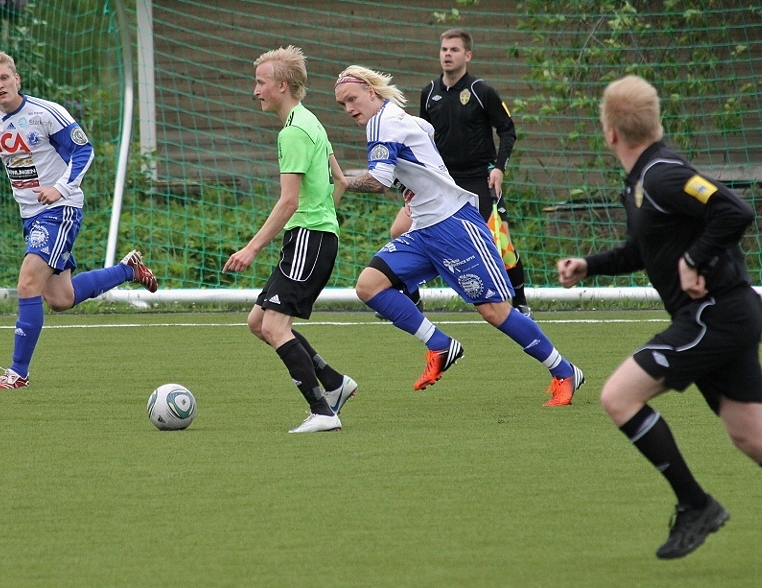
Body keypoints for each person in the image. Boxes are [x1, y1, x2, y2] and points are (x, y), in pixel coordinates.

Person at [558, 75, 762, 559]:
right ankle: (697, 505)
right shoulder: (642, 181)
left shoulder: (662, 175)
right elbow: (643, 250)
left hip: (714, 315)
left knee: (618, 397)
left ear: (609, 132)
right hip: (726, 316)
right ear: (656, 122)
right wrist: (589, 266)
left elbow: (736, 210)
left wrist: (695, 259)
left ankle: (696, 505)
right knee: (752, 437)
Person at [334, 65, 583, 406]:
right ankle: (439, 344)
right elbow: (424, 135)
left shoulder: (383, 123)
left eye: (352, 99)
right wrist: (412, 186)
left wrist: (341, 183)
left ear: (371, 92)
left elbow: (378, 181)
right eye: (342, 104)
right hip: (424, 229)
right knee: (369, 285)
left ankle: (565, 371)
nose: (349, 108)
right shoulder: (399, 118)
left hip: (454, 226)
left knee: (494, 311)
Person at [0, 51, 158, 389]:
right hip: (31, 215)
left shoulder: (45, 113)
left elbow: (84, 150)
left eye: (4, 78)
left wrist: (60, 188)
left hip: (61, 209)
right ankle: (129, 270)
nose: (0, 85)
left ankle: (17, 373)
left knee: (27, 283)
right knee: (60, 299)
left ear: (17, 79)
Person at [223, 45, 357, 433]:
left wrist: (252, 248)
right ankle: (334, 383)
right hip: (314, 237)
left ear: (282, 85)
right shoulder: (310, 121)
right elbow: (341, 180)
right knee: (258, 321)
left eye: (260, 82)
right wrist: (325, 220)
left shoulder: (294, 132)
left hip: (308, 239)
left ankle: (323, 412)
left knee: (275, 328)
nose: (255, 91)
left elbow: (288, 201)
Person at [414, 28, 531, 316]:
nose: (447, 55)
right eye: (444, 49)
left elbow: (507, 130)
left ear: (467, 55)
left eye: (454, 50)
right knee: (401, 231)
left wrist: (499, 168)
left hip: (480, 179)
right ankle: (412, 300)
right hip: (443, 181)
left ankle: (521, 302)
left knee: (499, 242)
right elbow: (422, 139)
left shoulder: (482, 91)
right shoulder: (429, 93)